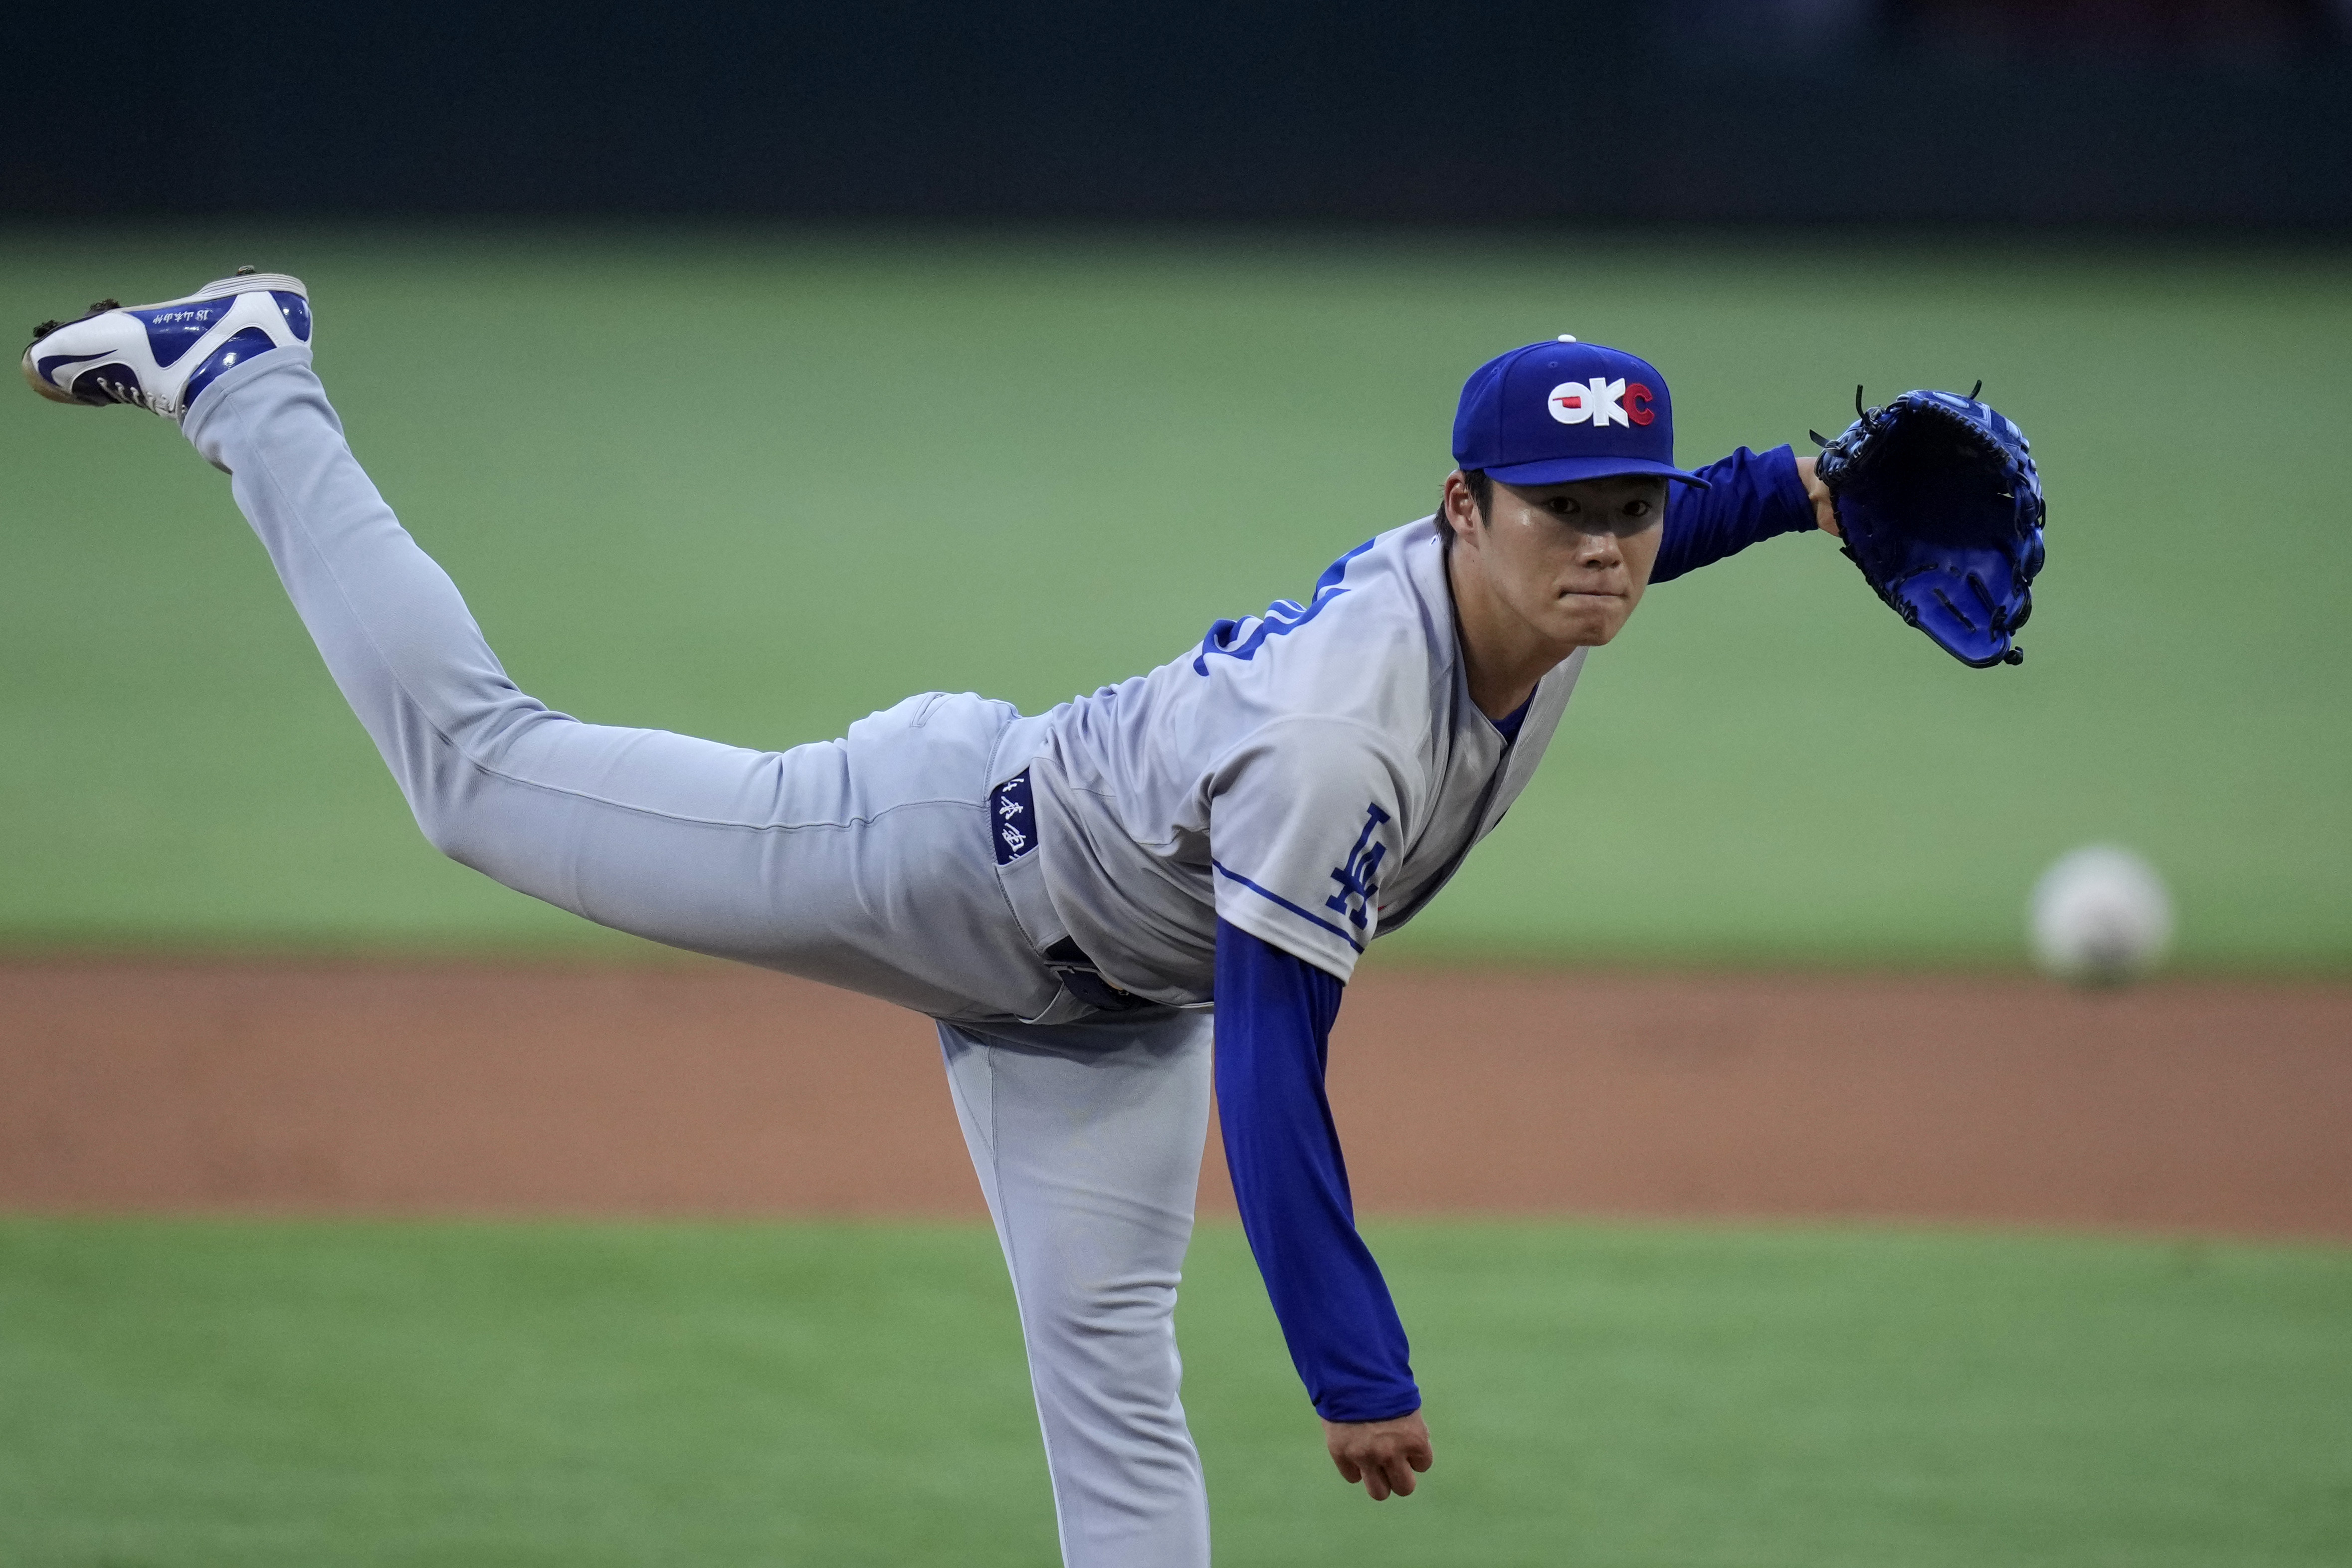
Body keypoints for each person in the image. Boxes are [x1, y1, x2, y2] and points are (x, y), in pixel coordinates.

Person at [23, 274, 1840, 1568]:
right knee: (479, 785)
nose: (1603, 549)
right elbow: (1275, 1076)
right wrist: (1354, 1368)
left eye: (1630, 513)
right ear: (1464, 509)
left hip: (1107, 1004)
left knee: (1115, 1398)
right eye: (1561, 513)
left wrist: (1807, 492)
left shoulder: (1539, 586)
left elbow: (1657, 528)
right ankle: (250, 373)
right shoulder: (1337, 743)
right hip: (940, 861)